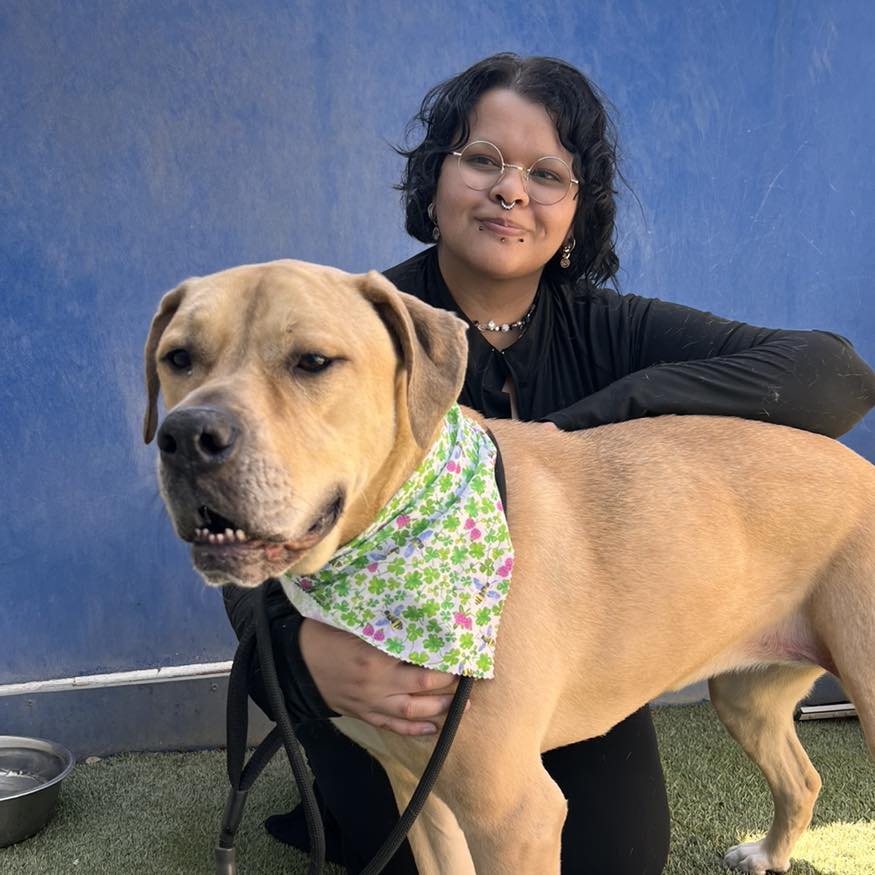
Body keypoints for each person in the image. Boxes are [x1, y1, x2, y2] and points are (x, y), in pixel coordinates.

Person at [223, 53, 875, 874]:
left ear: (576, 208)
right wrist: (301, 658)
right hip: (375, 659)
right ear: (435, 179)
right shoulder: (357, 325)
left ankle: (784, 835)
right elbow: (254, 521)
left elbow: (834, 376)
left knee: (613, 853)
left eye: (546, 172)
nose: (510, 189)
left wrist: (584, 428)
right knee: (388, 847)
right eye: (481, 159)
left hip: (589, 643)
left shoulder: (611, 325)